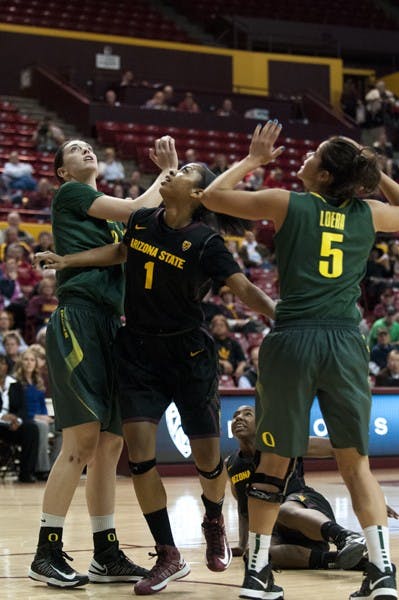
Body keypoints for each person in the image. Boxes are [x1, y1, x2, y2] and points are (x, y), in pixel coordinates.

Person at [35, 160, 276, 595]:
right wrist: (67, 260)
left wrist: (281, 315)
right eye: (173, 169)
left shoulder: (206, 240)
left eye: (183, 171)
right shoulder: (139, 219)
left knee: (191, 458)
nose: (172, 173)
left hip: (186, 354)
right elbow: (121, 250)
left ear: (198, 193)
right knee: (125, 452)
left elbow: (241, 288)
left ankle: (210, 517)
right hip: (136, 350)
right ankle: (164, 552)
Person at [200, 121, 398, 599]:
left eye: (314, 156)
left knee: (272, 463)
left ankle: (257, 575)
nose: (304, 160)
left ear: (326, 176)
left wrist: (253, 159)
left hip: (293, 339)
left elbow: (210, 197)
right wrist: (376, 174)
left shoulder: (286, 201)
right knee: (357, 467)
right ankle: (383, 574)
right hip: (345, 342)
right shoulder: (368, 213)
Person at [28, 135, 178, 589]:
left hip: (113, 323)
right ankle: (46, 550)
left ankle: (105, 552)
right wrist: (166, 173)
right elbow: (137, 210)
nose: (86, 151)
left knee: (112, 445)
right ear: (62, 171)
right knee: (82, 439)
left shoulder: (108, 220)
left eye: (88, 147)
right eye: (75, 149)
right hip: (79, 317)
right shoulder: (73, 193)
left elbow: (125, 242)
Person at [227, 405, 370, 570]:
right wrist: (242, 544)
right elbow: (244, 509)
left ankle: (345, 536)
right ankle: (335, 560)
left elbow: (338, 449)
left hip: (305, 505)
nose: (238, 417)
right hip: (277, 528)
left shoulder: (283, 444)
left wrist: (365, 487)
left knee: (283, 510)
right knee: (255, 554)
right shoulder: (231, 465)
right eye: (236, 415)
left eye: (247, 414)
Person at [13, 348, 61, 480]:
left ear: (35, 363)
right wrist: (37, 417)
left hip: (41, 417)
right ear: (21, 362)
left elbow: (42, 405)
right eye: (26, 360)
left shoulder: (38, 382)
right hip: (28, 419)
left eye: (32, 360)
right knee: (42, 427)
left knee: (61, 429)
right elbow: (17, 408)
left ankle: (53, 466)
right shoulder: (16, 383)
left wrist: (46, 417)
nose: (29, 363)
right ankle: (42, 469)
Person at [0, 353, 39, 483]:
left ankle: (26, 474)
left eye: (3, 363)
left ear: (7, 366)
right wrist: (2, 417)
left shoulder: (15, 385)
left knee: (32, 429)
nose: (0, 366)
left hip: (12, 426)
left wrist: (17, 420)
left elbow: (23, 409)